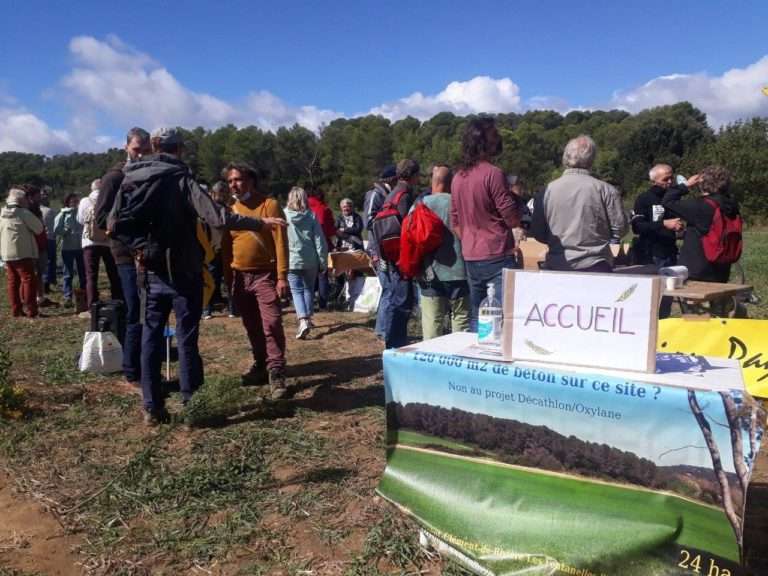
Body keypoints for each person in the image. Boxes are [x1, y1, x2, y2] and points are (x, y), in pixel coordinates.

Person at [117, 129, 277, 425]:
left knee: (151, 337)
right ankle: (192, 407)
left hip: (150, 270)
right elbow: (218, 217)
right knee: (186, 338)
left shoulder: (132, 176)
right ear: (179, 149)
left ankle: (151, 406)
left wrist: (139, 249)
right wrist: (259, 224)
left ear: (155, 146)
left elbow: (112, 222)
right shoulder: (181, 179)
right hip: (184, 270)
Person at [222, 162, 290, 399]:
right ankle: (261, 364)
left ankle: (276, 371)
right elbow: (225, 248)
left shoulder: (269, 205)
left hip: (266, 275)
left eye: (238, 179)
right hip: (240, 277)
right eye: (230, 181)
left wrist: (282, 276)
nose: (234, 185)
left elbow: (281, 243)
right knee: (252, 326)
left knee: (271, 324)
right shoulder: (229, 210)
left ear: (251, 180)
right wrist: (228, 280)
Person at [94, 127, 152, 387]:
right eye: (137, 149)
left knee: (149, 308)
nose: (141, 154)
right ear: (127, 147)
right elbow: (100, 218)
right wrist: (127, 235)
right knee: (133, 309)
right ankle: (132, 369)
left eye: (145, 150)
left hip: (148, 251)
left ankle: (147, 360)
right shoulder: (114, 177)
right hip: (126, 254)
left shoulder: (150, 174)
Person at [451, 117, 521, 330]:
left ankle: (477, 355)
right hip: (497, 253)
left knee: (478, 316)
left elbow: (454, 221)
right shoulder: (493, 173)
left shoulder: (457, 178)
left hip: (471, 254)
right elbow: (511, 217)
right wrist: (516, 199)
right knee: (502, 316)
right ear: (487, 142)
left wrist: (472, 239)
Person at [531, 135, 627, 273]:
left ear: (565, 157)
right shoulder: (606, 190)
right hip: (596, 264)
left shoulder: (546, 191)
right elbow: (620, 229)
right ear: (592, 159)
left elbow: (538, 232)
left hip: (558, 264)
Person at [417, 165, 470, 339]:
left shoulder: (421, 205)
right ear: (451, 183)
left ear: (433, 182)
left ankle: (430, 359)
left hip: (429, 272)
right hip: (459, 271)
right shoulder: (461, 203)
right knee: (461, 319)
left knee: (432, 321)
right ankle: (458, 359)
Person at [662, 166, 738, 283]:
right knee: (717, 299)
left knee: (693, 300)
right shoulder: (731, 205)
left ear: (702, 183)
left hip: (697, 268)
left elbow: (667, 201)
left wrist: (685, 185)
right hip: (722, 266)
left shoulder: (701, 206)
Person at [376, 159, 420, 349]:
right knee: (402, 301)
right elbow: (407, 227)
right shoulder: (405, 194)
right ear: (414, 176)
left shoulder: (391, 194)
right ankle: (395, 343)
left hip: (391, 253)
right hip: (403, 255)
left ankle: (393, 339)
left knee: (397, 297)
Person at [285, 186, 328, 339]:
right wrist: (323, 261)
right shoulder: (312, 215)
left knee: (296, 291)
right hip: (311, 260)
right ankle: (308, 319)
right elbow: (320, 240)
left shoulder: (284, 216)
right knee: (308, 289)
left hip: (292, 259)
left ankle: (303, 319)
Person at [77, 178, 123, 313]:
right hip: (108, 241)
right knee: (113, 273)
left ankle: (92, 304)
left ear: (92, 189)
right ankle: (117, 299)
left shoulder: (85, 201)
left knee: (91, 275)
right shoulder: (110, 198)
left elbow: (80, 220)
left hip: (89, 242)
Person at [364, 165, 397, 338]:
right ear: (391, 179)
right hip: (377, 249)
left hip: (385, 248)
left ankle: (383, 328)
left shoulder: (386, 194)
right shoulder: (375, 194)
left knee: (390, 289)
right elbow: (368, 221)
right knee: (388, 288)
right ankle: (383, 329)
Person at [0, 187, 43, 318]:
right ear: (20, 200)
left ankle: (16, 310)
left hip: (7, 252)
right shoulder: (23, 213)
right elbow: (39, 228)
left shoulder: (2, 213)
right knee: (29, 280)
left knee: (13, 282)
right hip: (23, 252)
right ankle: (32, 310)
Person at [53, 193, 86, 308]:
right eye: (72, 201)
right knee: (68, 273)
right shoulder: (62, 214)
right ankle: (67, 296)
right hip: (67, 248)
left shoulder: (81, 212)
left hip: (81, 247)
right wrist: (65, 231)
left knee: (83, 272)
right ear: (67, 202)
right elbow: (56, 229)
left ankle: (84, 294)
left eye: (76, 201)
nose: (75, 203)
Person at [22, 185, 52, 307]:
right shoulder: (25, 211)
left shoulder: (37, 208)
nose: (40, 197)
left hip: (41, 244)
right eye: (37, 195)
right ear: (30, 197)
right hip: (31, 246)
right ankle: (28, 299)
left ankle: (40, 297)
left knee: (40, 272)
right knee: (30, 274)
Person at [307, 189, 335, 309]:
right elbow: (330, 229)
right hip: (322, 244)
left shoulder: (302, 208)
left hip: (306, 246)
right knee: (322, 273)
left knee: (308, 274)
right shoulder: (325, 209)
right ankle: (323, 303)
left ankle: (307, 302)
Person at [40, 188, 58, 293]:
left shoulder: (33, 210)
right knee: (50, 261)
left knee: (43, 262)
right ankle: (47, 283)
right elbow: (54, 227)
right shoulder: (49, 211)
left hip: (40, 239)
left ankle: (44, 283)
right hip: (49, 238)